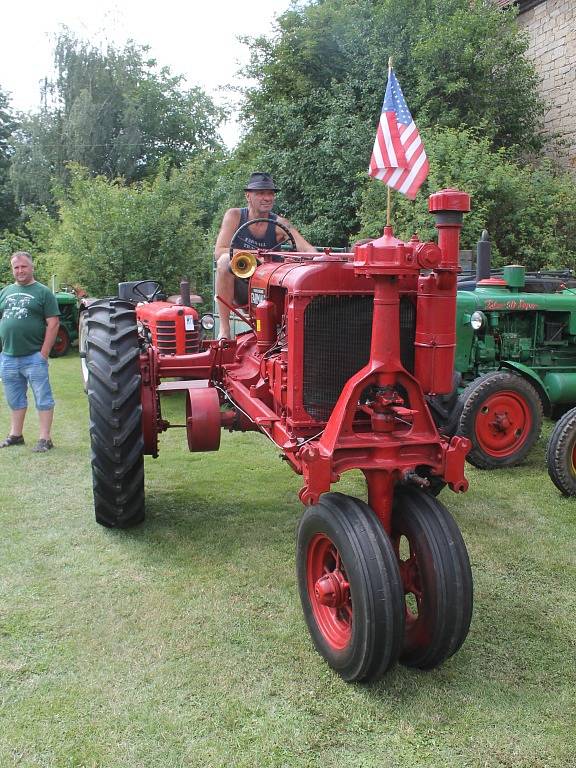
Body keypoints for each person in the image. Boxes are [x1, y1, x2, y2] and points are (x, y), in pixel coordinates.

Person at [214, 172, 315, 339]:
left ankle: (290, 336)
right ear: (248, 196)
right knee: (224, 261)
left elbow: (305, 248)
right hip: (241, 287)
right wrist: (253, 257)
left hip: (269, 289)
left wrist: (322, 259)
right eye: (261, 193)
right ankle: (224, 331)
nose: (267, 198)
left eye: (270, 193)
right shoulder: (234, 216)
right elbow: (219, 251)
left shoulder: (280, 224)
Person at [0, 251, 60, 452]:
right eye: (16, 267)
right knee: (14, 398)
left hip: (34, 356)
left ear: (31, 267)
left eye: (23, 266)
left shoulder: (43, 292)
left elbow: (53, 323)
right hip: (8, 356)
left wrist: (44, 352)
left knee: (43, 397)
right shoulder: (5, 292)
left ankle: (45, 439)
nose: (20, 270)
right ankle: (16, 435)